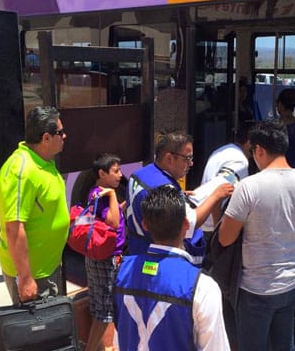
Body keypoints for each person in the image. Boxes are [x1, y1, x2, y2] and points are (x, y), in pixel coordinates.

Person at [218, 120, 295, 351]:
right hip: (293, 283)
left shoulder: (249, 186)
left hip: (256, 288)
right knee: (285, 344)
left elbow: (225, 238)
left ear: (259, 150)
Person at [114, 186, 230, 351]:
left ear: (145, 225)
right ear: (186, 224)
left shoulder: (122, 271)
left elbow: (120, 337)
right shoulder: (202, 286)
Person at [126, 131, 234, 266]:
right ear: (169, 158)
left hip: (139, 250)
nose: (191, 163)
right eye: (187, 158)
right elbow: (190, 224)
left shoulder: (138, 174)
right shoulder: (163, 187)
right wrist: (216, 196)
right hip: (164, 260)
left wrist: (180, 194)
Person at [0, 106, 69, 304]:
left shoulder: (44, 161)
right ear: (46, 138)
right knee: (39, 332)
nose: (65, 136)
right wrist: (26, 278)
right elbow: (14, 227)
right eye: (60, 132)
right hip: (33, 275)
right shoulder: (22, 170)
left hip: (47, 268)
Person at [83, 153, 126, 351]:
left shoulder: (99, 194)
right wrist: (113, 195)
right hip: (106, 259)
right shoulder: (100, 194)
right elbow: (114, 222)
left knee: (101, 306)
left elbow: (112, 214)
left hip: (102, 257)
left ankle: (99, 347)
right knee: (104, 311)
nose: (120, 175)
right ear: (102, 173)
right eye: (115, 171)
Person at [200, 122, 252, 246]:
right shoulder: (239, 162)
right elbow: (219, 190)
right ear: (250, 143)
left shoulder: (223, 150)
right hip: (212, 226)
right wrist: (219, 229)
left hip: (205, 223)